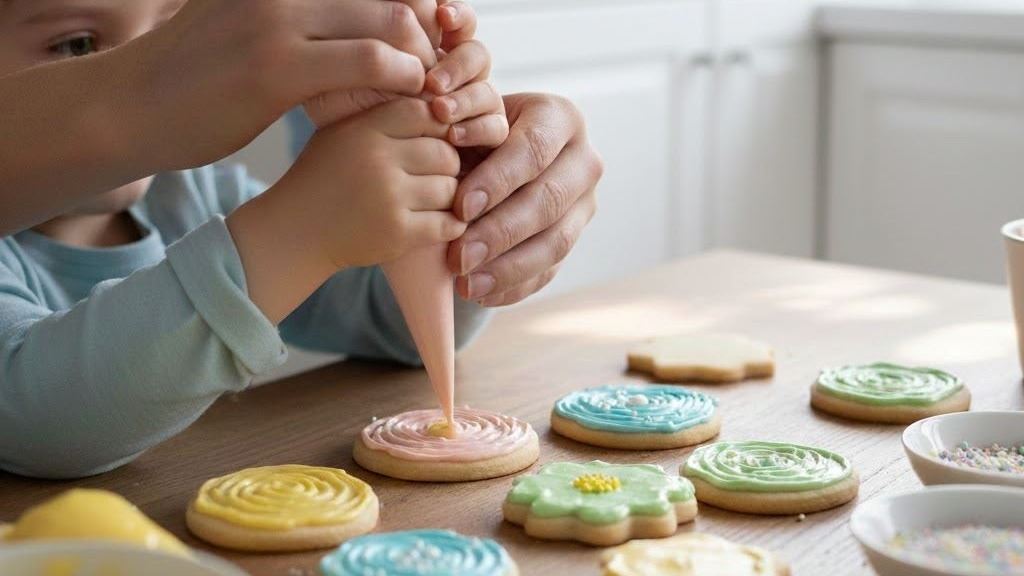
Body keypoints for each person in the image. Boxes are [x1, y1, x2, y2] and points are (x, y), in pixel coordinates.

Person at [0, 0, 505, 479]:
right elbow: (45, 419)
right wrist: (302, 235)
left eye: (174, 28)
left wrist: (461, 211)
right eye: (77, 44)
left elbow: (387, 322)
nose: (167, 63)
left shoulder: (192, 192)